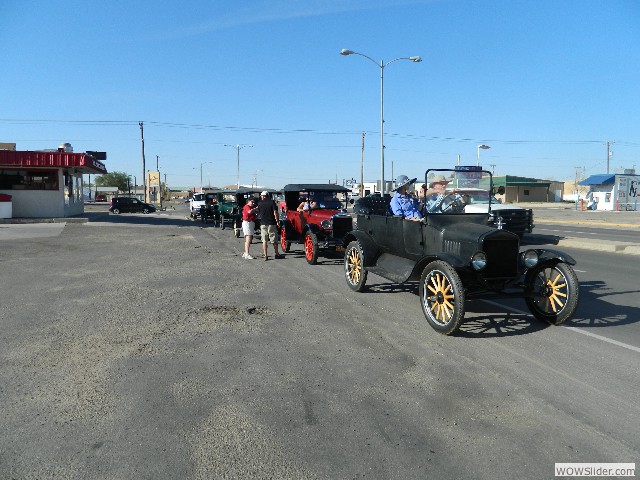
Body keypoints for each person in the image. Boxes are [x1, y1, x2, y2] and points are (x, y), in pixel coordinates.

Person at [257, 191, 284, 261]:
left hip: (263, 223)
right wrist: (277, 222)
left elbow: (259, 212)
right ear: (268, 195)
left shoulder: (259, 203)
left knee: (264, 240)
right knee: (274, 239)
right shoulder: (272, 202)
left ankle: (265, 255)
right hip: (271, 223)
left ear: (262, 196)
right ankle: (276, 253)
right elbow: (275, 212)